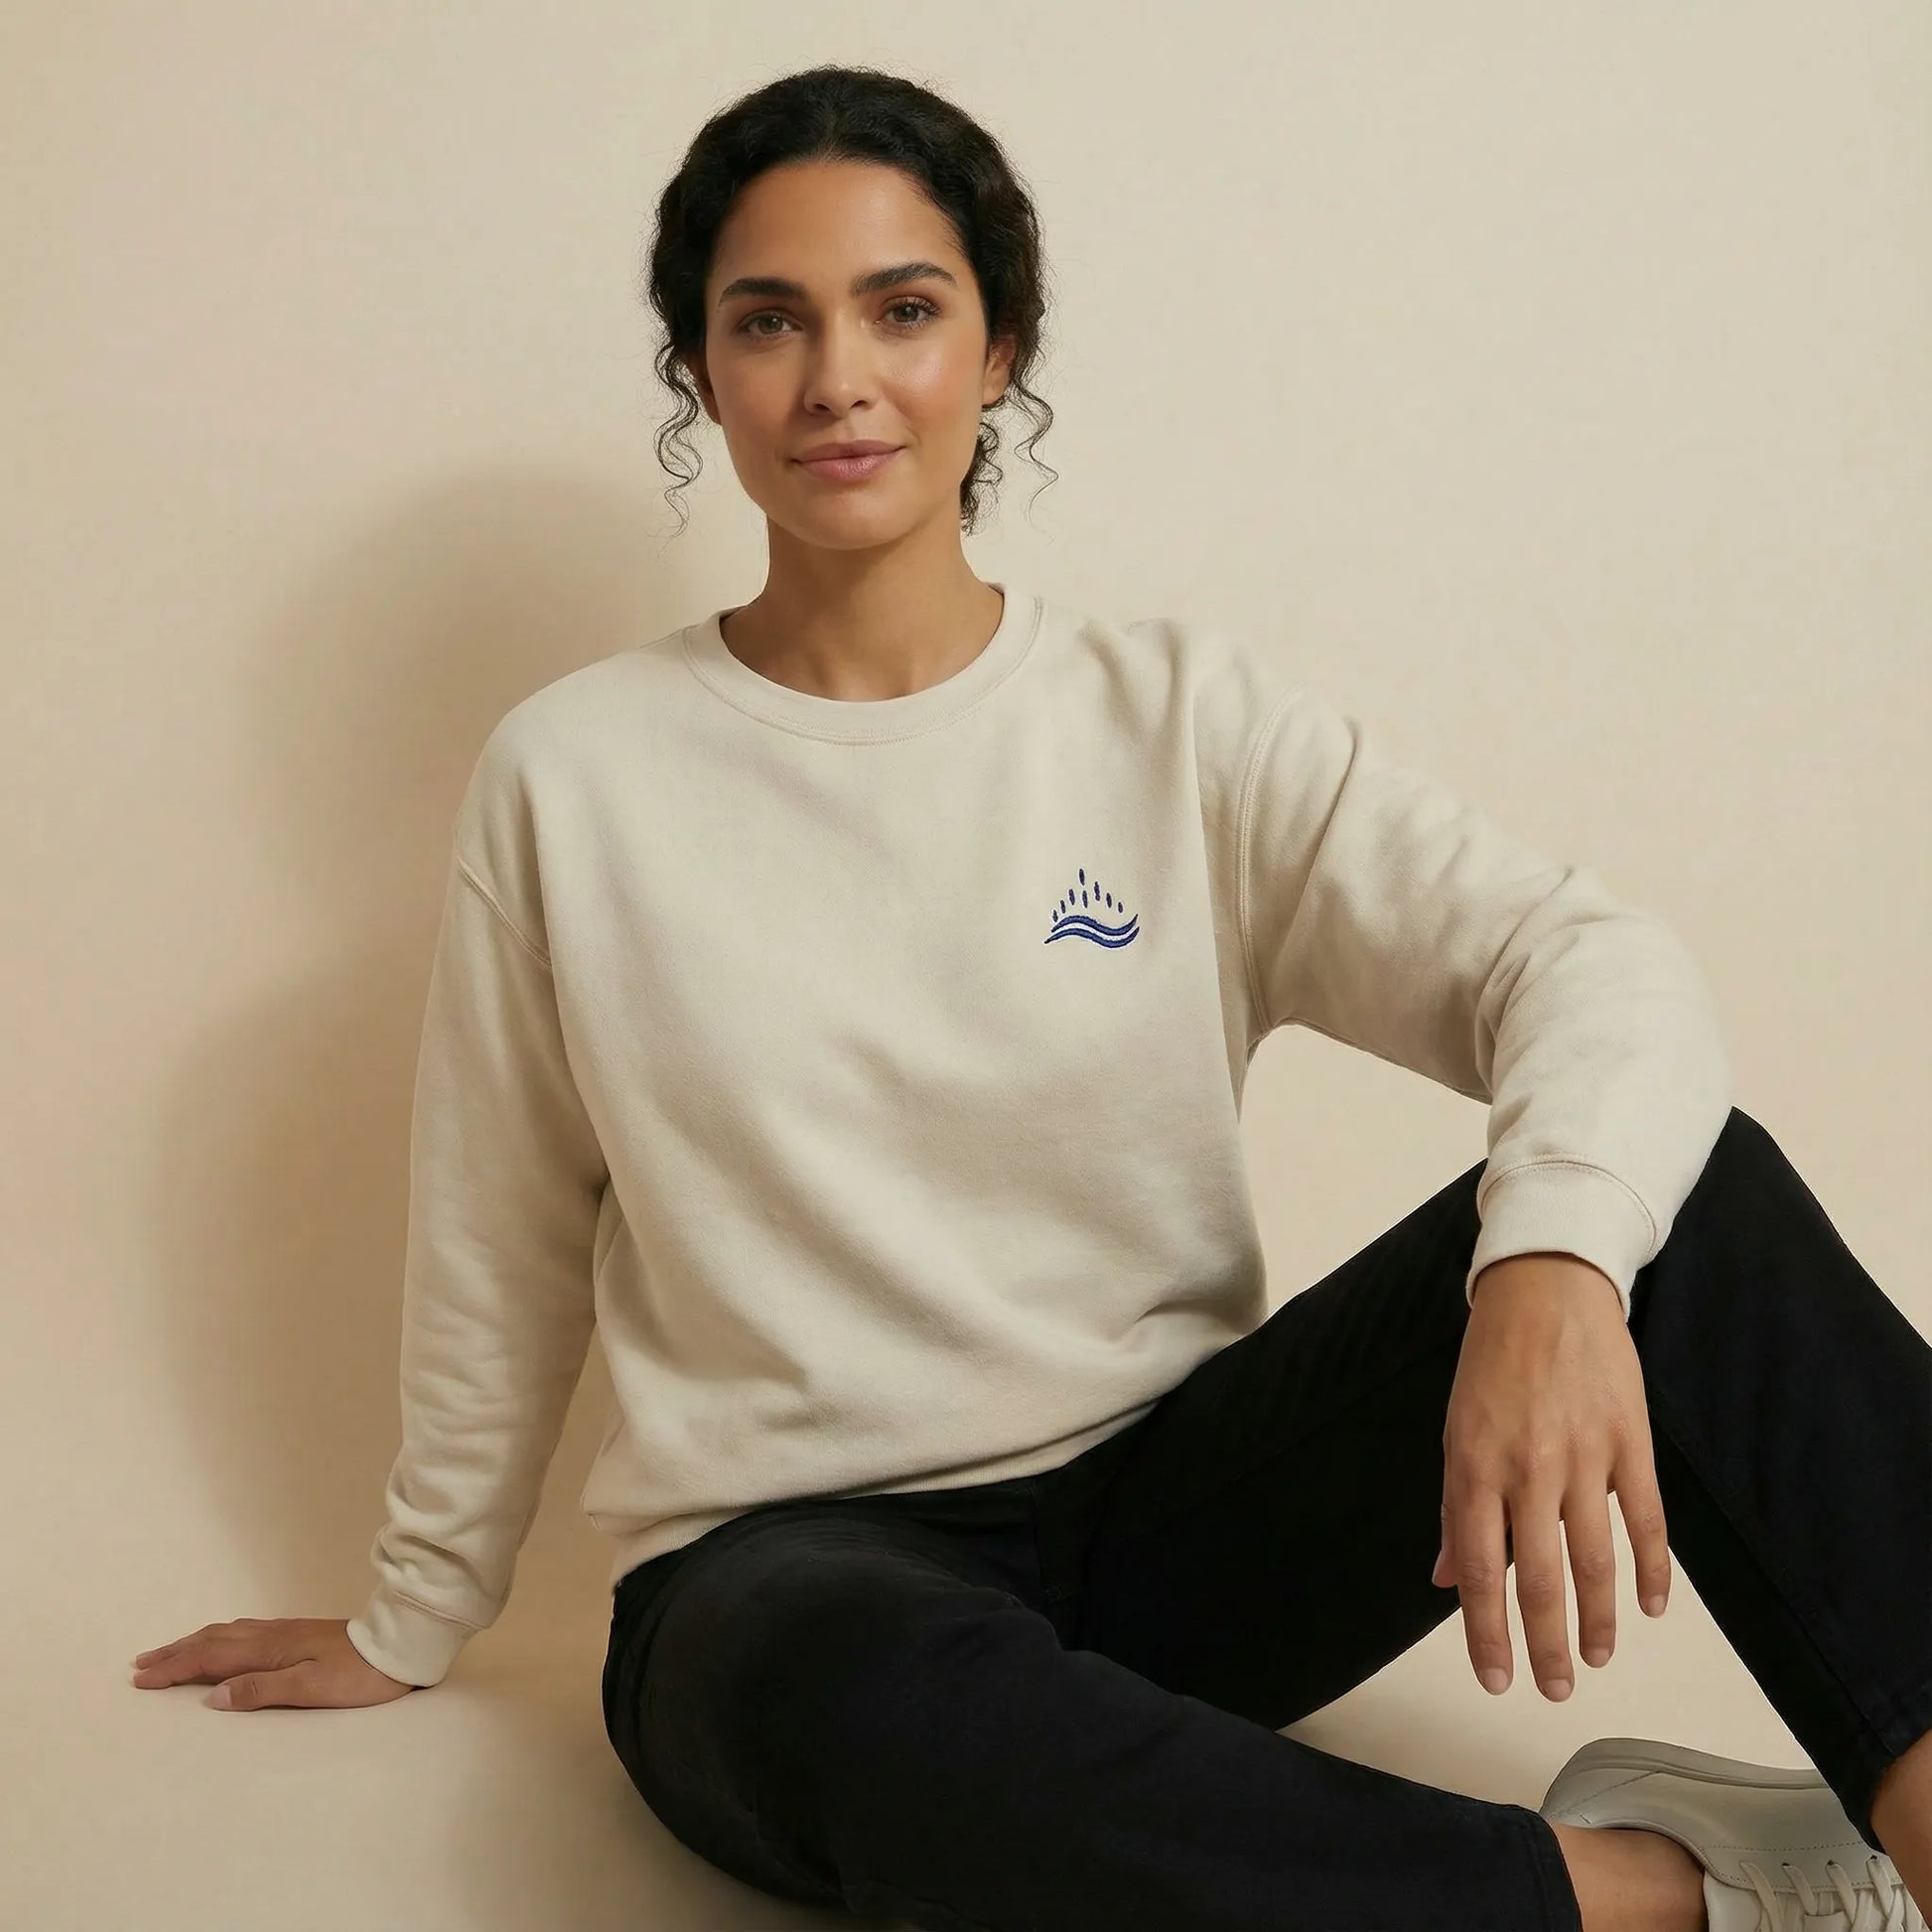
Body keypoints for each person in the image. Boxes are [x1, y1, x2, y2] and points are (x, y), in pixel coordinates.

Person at [130, 64, 1931, 1932]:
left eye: (902, 309)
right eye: (769, 321)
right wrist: (414, 1606)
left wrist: (1547, 1264)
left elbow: (1586, 961)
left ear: (998, 350)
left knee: (1682, 1199)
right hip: (789, 1578)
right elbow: (496, 1224)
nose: (838, 378)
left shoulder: (1171, 723)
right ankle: (1673, 1891)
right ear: (703, 374)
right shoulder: (573, 775)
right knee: (884, 1714)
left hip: (1179, 1527)